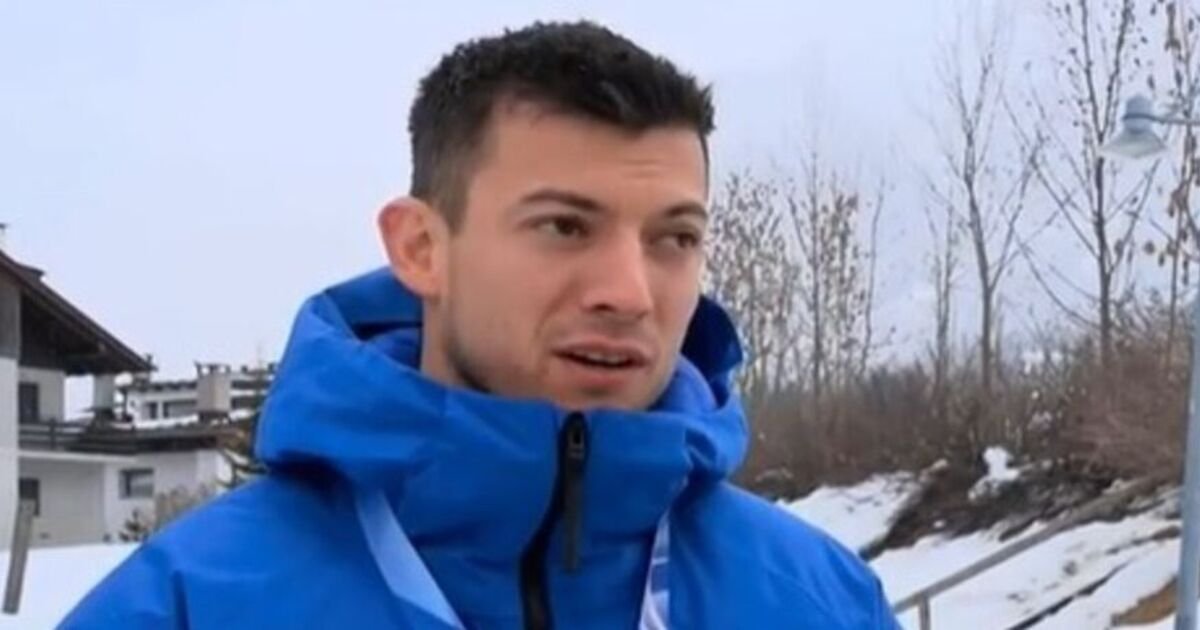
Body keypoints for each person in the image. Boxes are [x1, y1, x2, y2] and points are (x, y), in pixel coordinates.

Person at [62, 20, 900, 629]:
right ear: (421, 248)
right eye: (565, 226)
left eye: (674, 238)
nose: (630, 293)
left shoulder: (823, 601)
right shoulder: (187, 605)